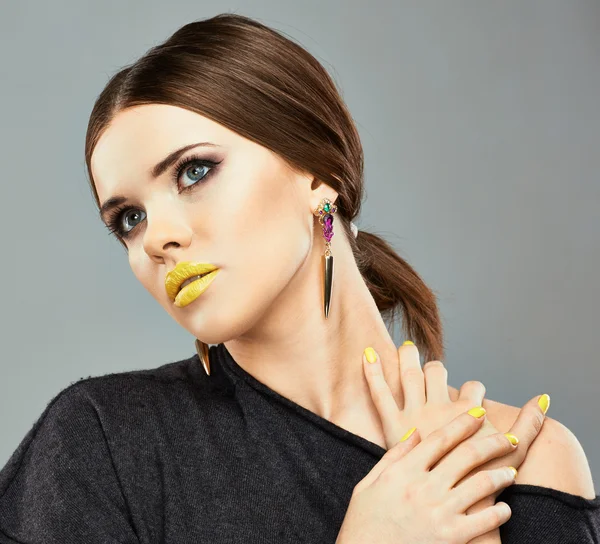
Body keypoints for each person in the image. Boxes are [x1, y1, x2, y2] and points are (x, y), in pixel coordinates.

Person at [1, 12, 598, 543]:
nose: (157, 238)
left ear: (316, 173)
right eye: (129, 219)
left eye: (193, 172)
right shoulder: (100, 445)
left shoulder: (522, 458)